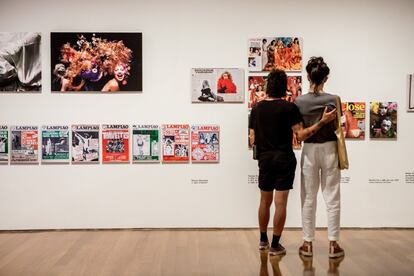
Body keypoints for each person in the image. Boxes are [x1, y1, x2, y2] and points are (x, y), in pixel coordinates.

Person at [249, 69, 336, 256]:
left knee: (264, 201)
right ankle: (275, 245)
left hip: (264, 159)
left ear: (267, 85)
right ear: (284, 86)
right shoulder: (289, 108)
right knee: (280, 203)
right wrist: (322, 122)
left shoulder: (256, 108)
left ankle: (262, 240)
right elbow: (301, 135)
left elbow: (251, 138)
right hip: (284, 159)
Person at [294, 56, 345, 258]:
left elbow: (299, 132)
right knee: (332, 196)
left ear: (308, 76)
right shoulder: (334, 100)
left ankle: (307, 243)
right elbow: (338, 127)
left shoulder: (299, 101)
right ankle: (333, 244)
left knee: (308, 196)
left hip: (309, 150)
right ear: (326, 77)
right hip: (330, 148)